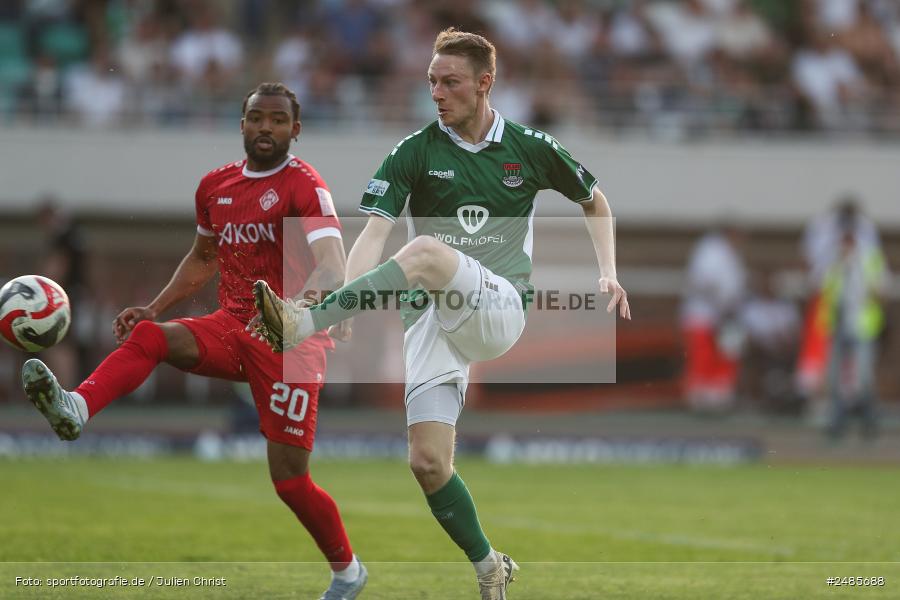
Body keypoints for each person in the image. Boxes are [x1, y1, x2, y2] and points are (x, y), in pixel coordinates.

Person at [251, 29, 630, 600]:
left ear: (485, 83)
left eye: (450, 82)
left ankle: (301, 322)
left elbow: (593, 198)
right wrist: (352, 298)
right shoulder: (413, 151)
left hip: (500, 304)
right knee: (428, 463)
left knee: (425, 252)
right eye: (432, 81)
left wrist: (608, 271)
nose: (438, 92)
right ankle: (489, 567)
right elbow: (374, 232)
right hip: (430, 320)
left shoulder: (528, 147)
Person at [21, 82, 368, 600]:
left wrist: (305, 305)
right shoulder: (215, 186)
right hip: (232, 325)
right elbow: (203, 259)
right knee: (149, 337)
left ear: (295, 130)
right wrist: (155, 308)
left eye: (277, 120)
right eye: (256, 118)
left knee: (290, 480)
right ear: (242, 123)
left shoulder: (303, 185)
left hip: (290, 341)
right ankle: (76, 406)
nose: (266, 128)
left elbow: (332, 262)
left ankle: (347, 572)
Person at [821, 225, 888, 440]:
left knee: (863, 377)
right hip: (839, 325)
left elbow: (882, 290)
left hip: (862, 326)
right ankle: (837, 423)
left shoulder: (870, 260)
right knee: (835, 378)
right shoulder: (835, 263)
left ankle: (869, 423)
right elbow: (825, 289)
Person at [680, 224, 747, 412]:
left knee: (727, 352)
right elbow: (703, 281)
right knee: (703, 355)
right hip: (705, 314)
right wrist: (720, 301)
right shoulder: (709, 251)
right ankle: (700, 396)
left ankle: (719, 394)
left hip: (726, 315)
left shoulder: (731, 254)